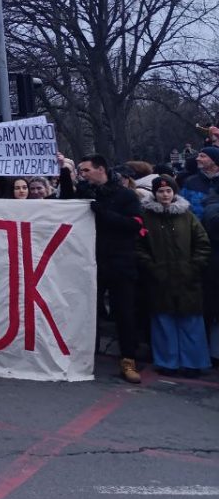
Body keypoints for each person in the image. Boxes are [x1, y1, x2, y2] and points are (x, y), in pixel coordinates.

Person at [60, 153, 145, 384]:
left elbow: (134, 225)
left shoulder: (125, 195)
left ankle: (128, 360)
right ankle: (89, 356)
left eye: (86, 170)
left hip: (120, 263)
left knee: (124, 312)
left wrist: (104, 214)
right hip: (92, 262)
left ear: (101, 169)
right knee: (88, 312)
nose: (83, 174)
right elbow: (66, 203)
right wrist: (64, 173)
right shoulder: (87, 194)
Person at [138, 175, 211, 377]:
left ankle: (193, 362)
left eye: (168, 191)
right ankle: (167, 361)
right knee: (163, 321)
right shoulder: (146, 217)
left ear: (174, 192)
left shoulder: (187, 216)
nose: (165, 195)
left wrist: (194, 266)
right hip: (160, 278)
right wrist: (152, 267)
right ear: (155, 194)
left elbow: (202, 243)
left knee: (191, 322)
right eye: (161, 191)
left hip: (187, 277)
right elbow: (139, 247)